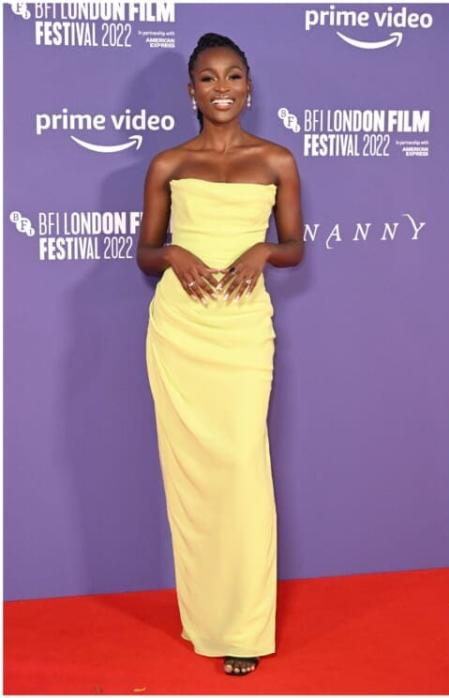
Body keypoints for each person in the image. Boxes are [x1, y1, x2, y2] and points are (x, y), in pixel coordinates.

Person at [137, 33, 304, 676]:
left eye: (233, 75)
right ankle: (207, 617)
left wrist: (262, 251)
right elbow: (146, 252)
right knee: (193, 478)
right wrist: (174, 253)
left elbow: (294, 245)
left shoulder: (277, 161)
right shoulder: (167, 165)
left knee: (242, 468)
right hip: (180, 331)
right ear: (191, 92)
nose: (222, 87)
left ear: (249, 86)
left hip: (240, 330)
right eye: (208, 79)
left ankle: (245, 626)